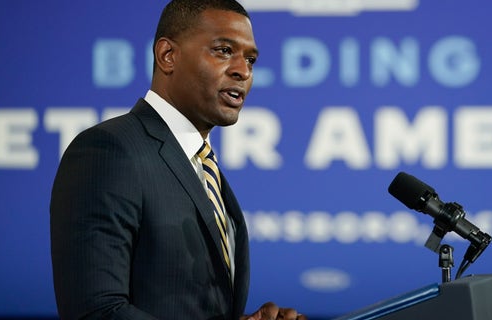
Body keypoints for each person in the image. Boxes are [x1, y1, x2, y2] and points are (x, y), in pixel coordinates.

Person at [50, 0, 305, 319]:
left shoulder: (202, 165)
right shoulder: (109, 151)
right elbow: (95, 312)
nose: (243, 70)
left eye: (250, 59)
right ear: (167, 56)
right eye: (224, 50)